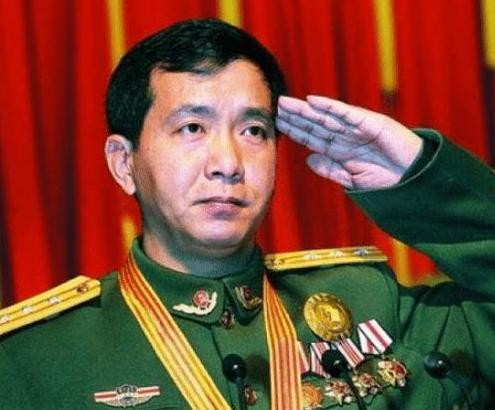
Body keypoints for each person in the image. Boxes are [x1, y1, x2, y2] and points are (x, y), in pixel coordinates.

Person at [0, 18, 494, 410]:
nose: (228, 163)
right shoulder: (34, 361)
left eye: (254, 131)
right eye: (192, 128)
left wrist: (423, 178)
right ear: (123, 163)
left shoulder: (371, 304)